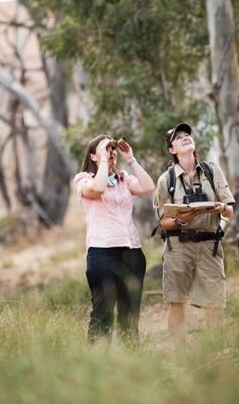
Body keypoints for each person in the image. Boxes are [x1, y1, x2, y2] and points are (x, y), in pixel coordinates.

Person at [153, 123, 235, 345]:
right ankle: (180, 354)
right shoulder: (165, 180)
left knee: (214, 301)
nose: (185, 138)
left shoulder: (211, 170)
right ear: (172, 150)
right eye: (178, 138)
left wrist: (221, 209)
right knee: (176, 300)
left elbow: (230, 209)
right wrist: (182, 219)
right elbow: (164, 222)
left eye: (187, 134)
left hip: (210, 244)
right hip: (178, 246)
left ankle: (215, 350)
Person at [73, 135, 156, 344]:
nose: (112, 153)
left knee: (130, 315)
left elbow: (148, 187)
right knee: (103, 314)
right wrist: (102, 160)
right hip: (102, 254)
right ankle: (98, 365)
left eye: (113, 149)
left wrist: (130, 159)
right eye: (106, 148)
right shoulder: (83, 179)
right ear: (93, 155)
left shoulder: (123, 179)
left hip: (132, 253)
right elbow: (98, 189)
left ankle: (130, 365)